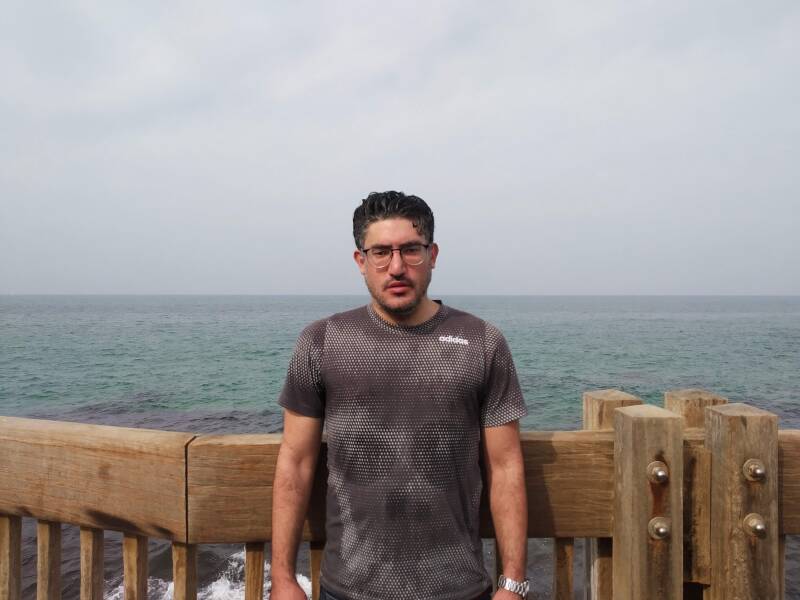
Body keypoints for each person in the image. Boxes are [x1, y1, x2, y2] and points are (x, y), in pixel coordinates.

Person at [271, 191, 529, 600]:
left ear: (432, 255)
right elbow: (296, 462)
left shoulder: (482, 342)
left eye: (410, 250)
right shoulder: (321, 341)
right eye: (380, 252)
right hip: (348, 590)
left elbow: (506, 466)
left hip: (459, 589)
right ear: (361, 261)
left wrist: (512, 582)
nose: (396, 267)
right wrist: (284, 578)